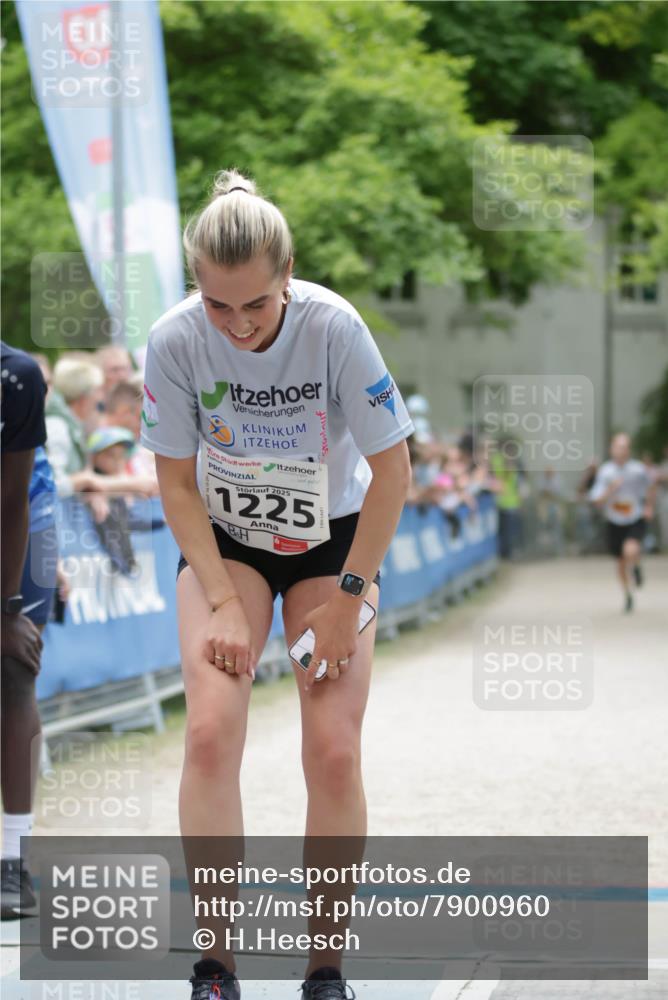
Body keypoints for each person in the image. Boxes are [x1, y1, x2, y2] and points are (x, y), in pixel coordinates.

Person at [140, 169, 413, 1000]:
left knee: (333, 749)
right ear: (196, 286)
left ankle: (325, 968)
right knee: (208, 734)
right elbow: (175, 483)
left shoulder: (335, 327)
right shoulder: (175, 338)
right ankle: (215, 966)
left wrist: (348, 600)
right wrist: (223, 601)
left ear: (287, 274)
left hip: (333, 543)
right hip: (227, 545)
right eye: (217, 305)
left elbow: (394, 471)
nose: (238, 324)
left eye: (256, 304)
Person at [0, 341, 50, 919]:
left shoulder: (15, 377)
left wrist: (7, 609)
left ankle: (13, 861)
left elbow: (11, 497)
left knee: (13, 670)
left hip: (20, 510)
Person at [589, 432, 657, 613]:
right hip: (614, 520)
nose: (622, 451)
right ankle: (628, 595)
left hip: (634, 517)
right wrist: (611, 489)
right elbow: (596, 500)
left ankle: (636, 566)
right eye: (618, 447)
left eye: (625, 447)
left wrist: (649, 507)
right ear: (612, 449)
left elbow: (651, 487)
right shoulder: (606, 471)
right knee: (620, 563)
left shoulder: (637, 469)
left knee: (630, 550)